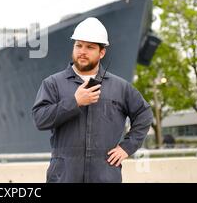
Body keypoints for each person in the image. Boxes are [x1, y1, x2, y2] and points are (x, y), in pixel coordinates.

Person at [32, 17, 153, 183]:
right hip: (64, 178)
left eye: (90, 47)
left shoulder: (120, 87)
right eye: (78, 45)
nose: (82, 51)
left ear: (101, 52)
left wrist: (127, 147)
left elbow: (144, 114)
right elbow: (40, 119)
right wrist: (75, 102)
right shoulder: (53, 84)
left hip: (105, 177)